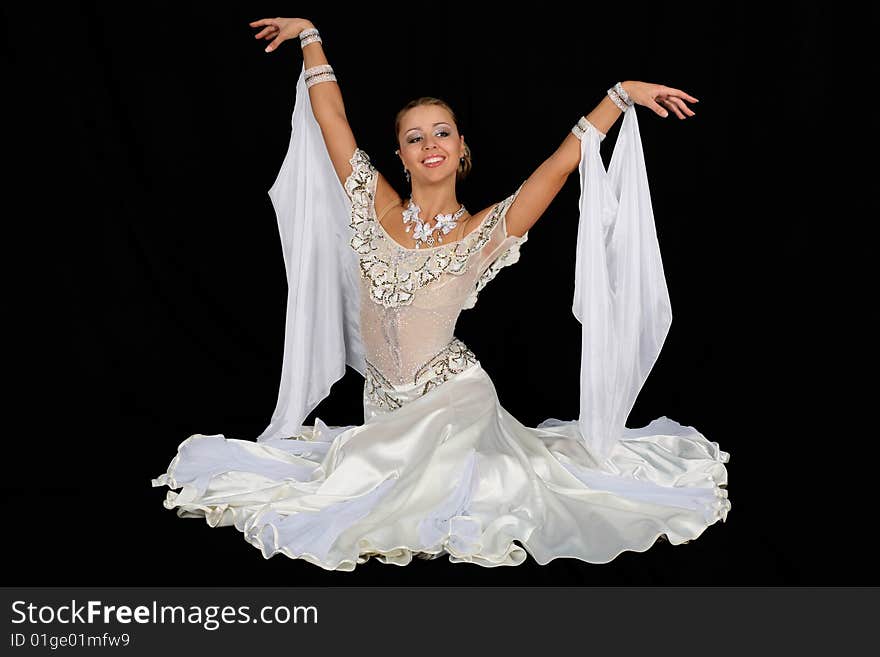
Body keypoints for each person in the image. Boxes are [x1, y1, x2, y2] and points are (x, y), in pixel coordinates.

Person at [151, 17, 730, 571]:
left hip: (453, 402)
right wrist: (309, 36)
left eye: (442, 132)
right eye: (414, 137)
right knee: (348, 480)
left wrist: (620, 93)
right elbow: (330, 116)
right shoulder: (371, 204)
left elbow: (559, 166)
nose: (430, 143)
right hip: (382, 407)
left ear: (461, 148)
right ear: (400, 155)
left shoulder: (482, 232)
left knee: (452, 494)